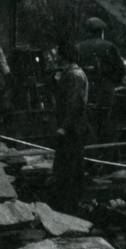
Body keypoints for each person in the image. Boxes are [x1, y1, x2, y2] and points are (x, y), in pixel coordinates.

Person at [51, 40, 91, 213]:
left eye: (58, 53)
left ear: (63, 55)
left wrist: (64, 127)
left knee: (69, 170)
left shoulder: (74, 75)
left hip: (73, 129)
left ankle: (68, 208)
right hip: (72, 128)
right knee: (69, 168)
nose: (56, 57)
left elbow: (75, 104)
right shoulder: (69, 73)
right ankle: (69, 205)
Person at [77, 16, 126, 141]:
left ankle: (89, 155)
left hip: (85, 93)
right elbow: (121, 70)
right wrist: (113, 82)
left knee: (88, 125)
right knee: (106, 125)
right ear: (101, 31)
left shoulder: (78, 47)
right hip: (105, 92)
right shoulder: (109, 46)